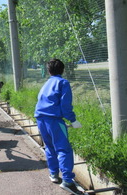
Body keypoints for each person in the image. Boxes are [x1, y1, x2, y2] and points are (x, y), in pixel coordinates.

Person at [34, 59, 83, 195]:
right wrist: (73, 120)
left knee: (50, 147)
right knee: (64, 149)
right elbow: (65, 105)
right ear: (63, 70)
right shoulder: (63, 83)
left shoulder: (46, 84)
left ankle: (54, 174)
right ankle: (67, 180)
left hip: (40, 119)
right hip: (54, 120)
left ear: (49, 71)